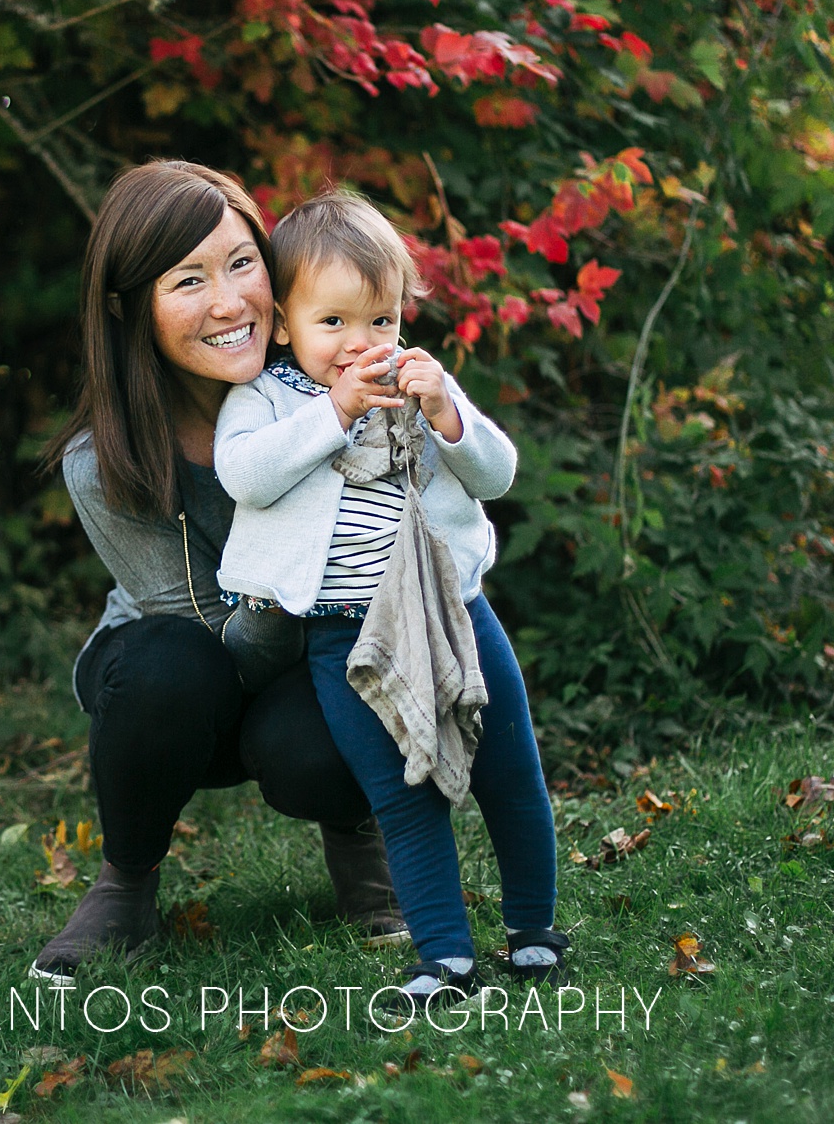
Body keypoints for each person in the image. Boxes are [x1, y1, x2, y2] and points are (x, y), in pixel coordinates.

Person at [29, 161, 407, 982]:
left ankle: (360, 839)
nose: (230, 301)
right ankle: (126, 882)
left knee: (326, 721)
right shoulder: (102, 462)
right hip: (182, 679)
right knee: (168, 664)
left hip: (306, 663)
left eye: (242, 263)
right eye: (188, 279)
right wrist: (281, 580)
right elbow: (208, 631)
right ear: (131, 307)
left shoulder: (334, 384)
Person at [211, 189, 568, 1007]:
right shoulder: (265, 402)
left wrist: (447, 414)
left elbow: (497, 474)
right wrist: (333, 412)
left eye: (380, 320)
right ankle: (444, 956)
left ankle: (534, 931)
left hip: (454, 612)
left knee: (509, 770)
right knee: (401, 795)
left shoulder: (419, 383)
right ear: (284, 324)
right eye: (332, 323)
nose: (360, 344)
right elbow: (247, 476)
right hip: (346, 638)